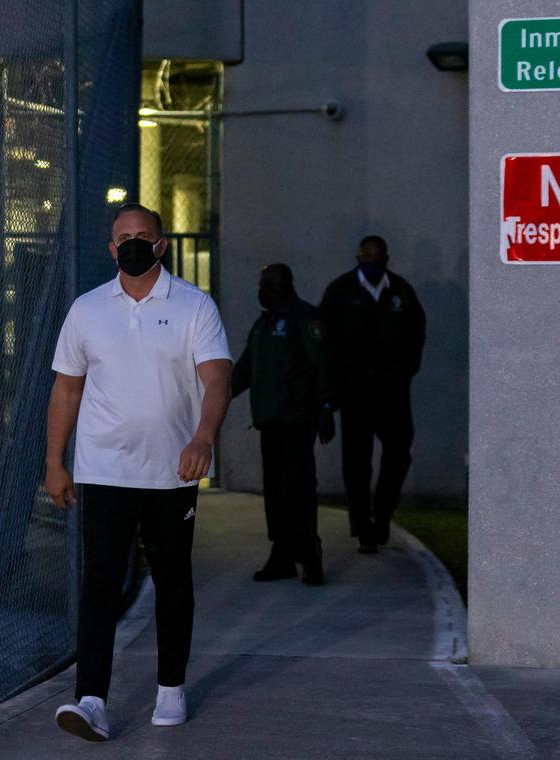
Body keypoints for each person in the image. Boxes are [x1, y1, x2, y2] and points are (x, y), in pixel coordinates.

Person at [45, 203, 232, 742]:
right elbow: (67, 388)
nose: (132, 243)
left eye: (142, 235)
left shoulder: (195, 306)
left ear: (161, 245)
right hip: (104, 469)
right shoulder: (86, 310)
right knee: (99, 584)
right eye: (122, 236)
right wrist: (55, 462)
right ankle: (91, 700)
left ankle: (171, 688)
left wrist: (203, 437)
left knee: (173, 581)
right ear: (111, 248)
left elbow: (216, 379)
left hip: (172, 473)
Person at [319, 235, 426, 553]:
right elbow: (327, 346)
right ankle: (364, 528)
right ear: (359, 258)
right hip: (355, 394)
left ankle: (382, 514)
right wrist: (330, 397)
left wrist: (399, 375)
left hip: (393, 393)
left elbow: (415, 340)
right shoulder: (339, 292)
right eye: (367, 258)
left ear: (387, 258)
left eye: (378, 258)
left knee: (398, 453)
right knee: (356, 463)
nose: (373, 264)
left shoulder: (402, 293)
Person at [231, 263, 335, 586]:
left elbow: (323, 364)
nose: (260, 291)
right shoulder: (263, 326)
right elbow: (246, 368)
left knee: (299, 487)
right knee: (275, 490)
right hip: (270, 421)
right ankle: (283, 552)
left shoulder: (304, 318)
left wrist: (327, 408)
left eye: (264, 284)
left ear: (280, 286)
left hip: (297, 420)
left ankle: (308, 553)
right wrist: (216, 396)